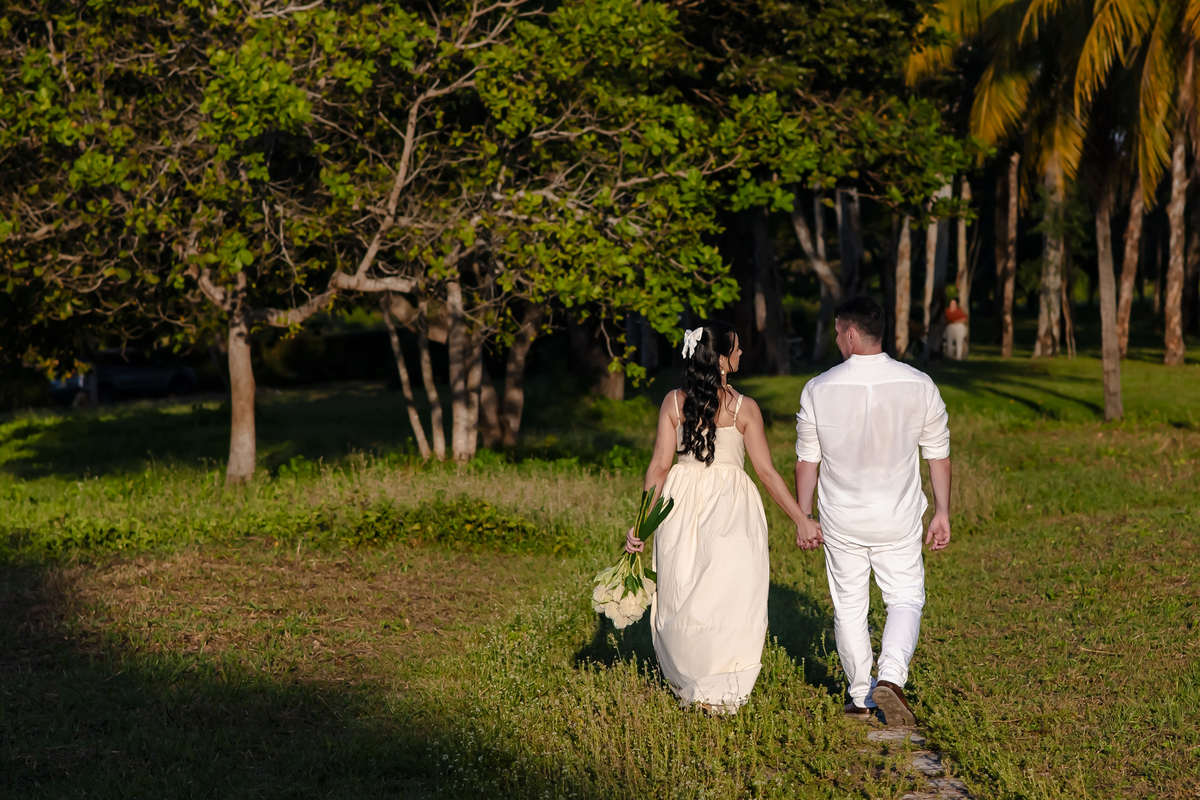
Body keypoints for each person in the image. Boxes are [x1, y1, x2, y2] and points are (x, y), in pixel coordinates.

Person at [625, 322, 822, 714]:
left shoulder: (673, 402)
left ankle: (694, 677)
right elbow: (766, 472)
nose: (742, 353)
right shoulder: (744, 407)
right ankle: (721, 681)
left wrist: (645, 520)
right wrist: (801, 519)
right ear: (721, 358)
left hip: (679, 503)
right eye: (737, 349)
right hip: (731, 505)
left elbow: (659, 468)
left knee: (685, 588)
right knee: (729, 592)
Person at [794, 296, 952, 726]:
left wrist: (804, 516)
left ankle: (861, 695)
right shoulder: (919, 384)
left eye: (836, 332)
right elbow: (937, 455)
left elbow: (807, 461)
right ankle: (892, 677)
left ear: (850, 333)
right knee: (905, 597)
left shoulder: (818, 388)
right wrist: (942, 511)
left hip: (841, 518)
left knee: (849, 606)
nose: (836, 340)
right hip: (897, 516)